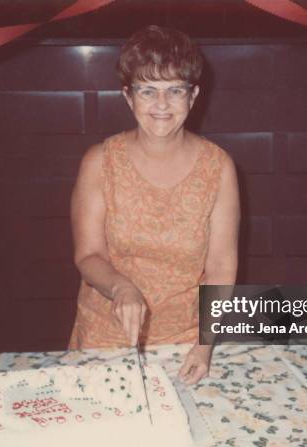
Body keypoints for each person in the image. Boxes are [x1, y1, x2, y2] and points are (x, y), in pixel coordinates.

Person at [69, 25, 240, 384]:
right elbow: (88, 255)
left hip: (185, 347)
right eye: (148, 90)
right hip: (104, 340)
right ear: (128, 97)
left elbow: (221, 268)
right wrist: (121, 288)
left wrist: (204, 344)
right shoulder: (99, 162)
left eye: (174, 90)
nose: (161, 105)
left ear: (193, 96)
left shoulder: (218, 166)